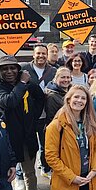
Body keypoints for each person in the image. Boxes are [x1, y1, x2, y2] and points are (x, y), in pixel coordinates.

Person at [0, 55, 50, 190]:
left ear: (18, 69)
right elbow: (9, 101)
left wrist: (33, 115)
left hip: (26, 135)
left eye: (13, 68)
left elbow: (40, 97)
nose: (9, 71)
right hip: (6, 138)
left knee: (30, 171)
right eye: (5, 69)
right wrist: (22, 83)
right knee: (6, 176)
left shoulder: (27, 82)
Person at [45, 85, 96, 190]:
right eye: (76, 97)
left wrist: (95, 169)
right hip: (67, 181)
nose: (79, 100)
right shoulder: (56, 126)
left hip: (86, 178)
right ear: (69, 99)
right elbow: (51, 158)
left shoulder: (89, 123)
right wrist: (72, 177)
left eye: (83, 98)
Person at [22, 44, 57, 178]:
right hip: (28, 114)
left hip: (46, 113)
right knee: (26, 146)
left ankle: (45, 167)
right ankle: (21, 175)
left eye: (43, 53)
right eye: (38, 53)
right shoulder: (25, 69)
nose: (41, 56)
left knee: (45, 142)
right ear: (33, 55)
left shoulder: (53, 70)